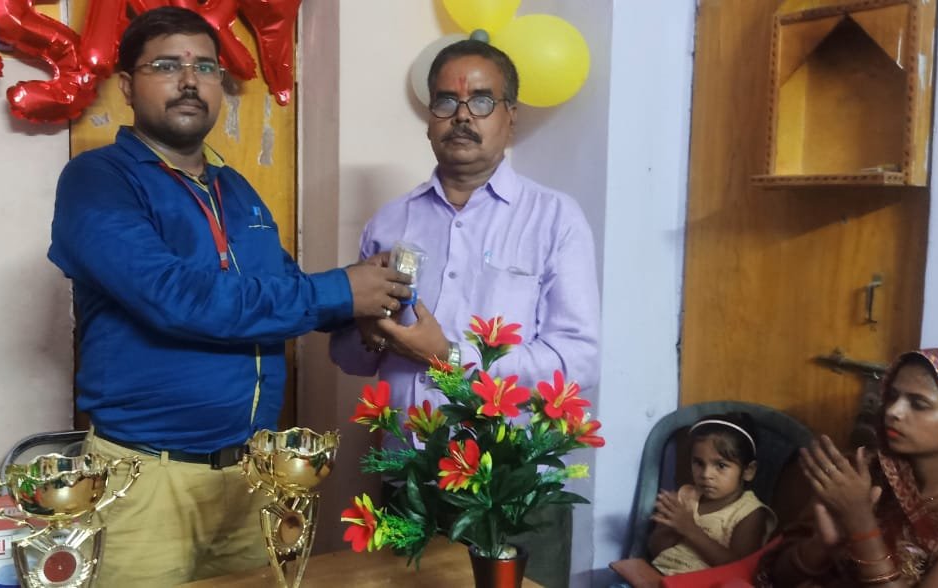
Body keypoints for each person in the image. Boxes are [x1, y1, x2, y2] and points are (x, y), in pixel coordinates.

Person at [47, 7, 411, 585]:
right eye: (167, 65)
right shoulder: (98, 180)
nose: (190, 80)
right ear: (127, 86)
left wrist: (366, 303)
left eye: (206, 67)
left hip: (254, 478)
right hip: (147, 480)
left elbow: (284, 289)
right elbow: (174, 298)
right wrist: (341, 291)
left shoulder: (235, 189)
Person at [328, 38, 600, 586]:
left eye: (481, 100)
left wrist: (449, 357)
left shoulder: (553, 218)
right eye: (446, 101)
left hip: (513, 486)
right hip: (410, 479)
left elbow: (577, 360)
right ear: (429, 118)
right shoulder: (390, 221)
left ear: (510, 117)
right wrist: (368, 329)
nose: (461, 116)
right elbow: (350, 359)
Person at [760, 349, 938, 587]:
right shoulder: (862, 475)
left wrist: (860, 523)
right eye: (892, 396)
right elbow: (775, 577)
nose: (893, 411)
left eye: (918, 403)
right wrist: (820, 545)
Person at [648, 414, 777, 575]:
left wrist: (689, 529)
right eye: (699, 463)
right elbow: (655, 550)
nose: (706, 474)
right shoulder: (686, 495)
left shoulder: (749, 512)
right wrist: (668, 526)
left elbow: (741, 570)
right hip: (658, 574)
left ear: (748, 471)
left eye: (721, 465)